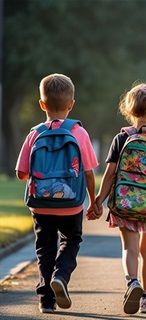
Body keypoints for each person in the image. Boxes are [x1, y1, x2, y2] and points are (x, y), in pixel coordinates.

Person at [15, 73, 98, 314]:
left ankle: (46, 300)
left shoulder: (35, 134)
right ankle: (61, 276)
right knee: (71, 240)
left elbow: (22, 173)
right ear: (71, 104)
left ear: (42, 104)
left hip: (40, 204)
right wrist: (93, 201)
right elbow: (90, 173)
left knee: (45, 248)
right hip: (71, 203)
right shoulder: (79, 133)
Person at [93, 83, 146, 314]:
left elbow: (110, 174)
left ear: (129, 111)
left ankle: (132, 282)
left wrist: (99, 200)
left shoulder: (122, 138)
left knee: (129, 248)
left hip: (125, 203)